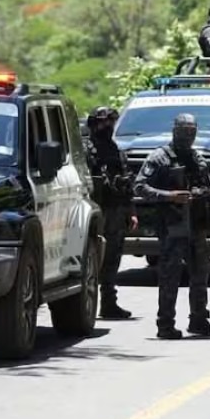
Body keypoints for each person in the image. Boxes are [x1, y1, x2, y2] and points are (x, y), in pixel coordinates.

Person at [133, 113, 210, 339]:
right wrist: (169, 196)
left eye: (192, 132)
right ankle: (165, 324)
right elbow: (140, 187)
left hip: (196, 225)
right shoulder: (159, 157)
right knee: (170, 276)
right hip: (173, 226)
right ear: (174, 131)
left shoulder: (196, 158)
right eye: (184, 131)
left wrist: (202, 195)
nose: (188, 136)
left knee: (200, 273)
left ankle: (199, 320)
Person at [83, 106, 138, 320]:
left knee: (112, 257)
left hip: (115, 210)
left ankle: (108, 302)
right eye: (104, 122)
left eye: (111, 122)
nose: (108, 126)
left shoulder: (115, 150)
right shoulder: (85, 151)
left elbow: (126, 181)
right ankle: (85, 305)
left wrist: (131, 211)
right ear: (93, 124)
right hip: (94, 211)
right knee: (91, 257)